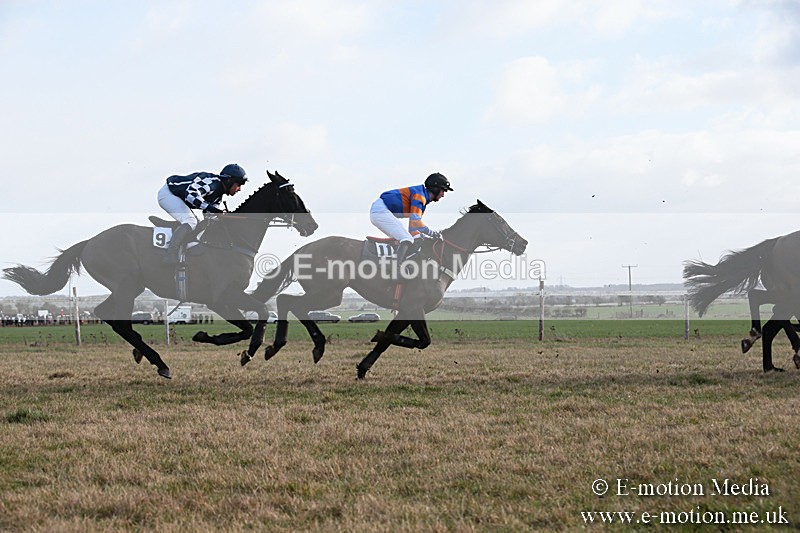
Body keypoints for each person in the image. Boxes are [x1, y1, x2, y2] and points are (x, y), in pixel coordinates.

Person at [157, 163, 247, 263]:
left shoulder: (218, 196)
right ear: (229, 181)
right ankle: (170, 256)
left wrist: (223, 218)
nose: (239, 189)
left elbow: (209, 216)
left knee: (197, 223)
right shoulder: (212, 183)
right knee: (191, 221)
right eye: (238, 185)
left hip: (178, 196)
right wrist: (212, 209)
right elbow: (191, 194)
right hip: (168, 194)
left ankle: (183, 252)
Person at [369, 172, 453, 264]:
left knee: (410, 238)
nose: (443, 195)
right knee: (407, 239)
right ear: (435, 189)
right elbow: (416, 223)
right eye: (443, 190)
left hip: (381, 211)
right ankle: (396, 267)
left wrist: (422, 237)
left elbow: (413, 229)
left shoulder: (422, 199)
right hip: (380, 211)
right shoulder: (420, 197)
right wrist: (433, 234)